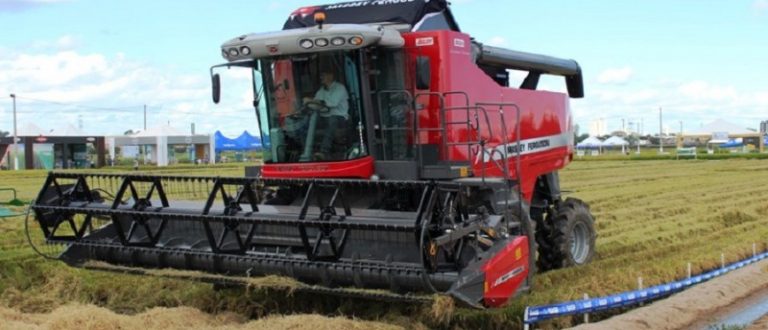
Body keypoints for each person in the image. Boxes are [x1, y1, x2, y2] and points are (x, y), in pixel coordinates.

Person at [302, 71, 349, 160]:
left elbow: (332, 103)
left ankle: (324, 151)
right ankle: (306, 149)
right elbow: (315, 103)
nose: (321, 77)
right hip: (324, 116)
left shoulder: (340, 88)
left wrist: (312, 101)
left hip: (340, 118)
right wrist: (307, 103)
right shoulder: (321, 90)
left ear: (330, 76)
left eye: (323, 75)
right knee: (306, 121)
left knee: (332, 120)